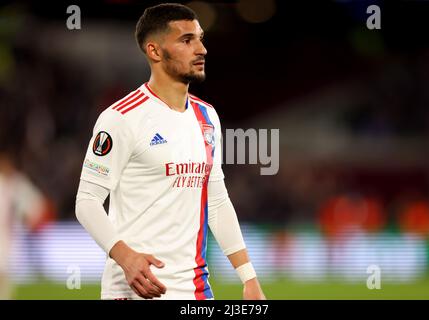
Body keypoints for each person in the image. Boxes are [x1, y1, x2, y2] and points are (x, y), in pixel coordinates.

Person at [75, 3, 265, 300]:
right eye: (187, 40)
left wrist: (248, 277)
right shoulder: (120, 118)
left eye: (201, 38)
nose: (201, 49)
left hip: (195, 292)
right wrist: (126, 257)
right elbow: (86, 202)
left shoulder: (207, 117)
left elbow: (216, 201)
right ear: (154, 51)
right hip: (132, 291)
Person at [0, 151, 50, 299]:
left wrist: (28, 221)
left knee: (5, 272)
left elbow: (33, 208)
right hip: (7, 235)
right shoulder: (6, 184)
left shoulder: (16, 184)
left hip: (7, 235)